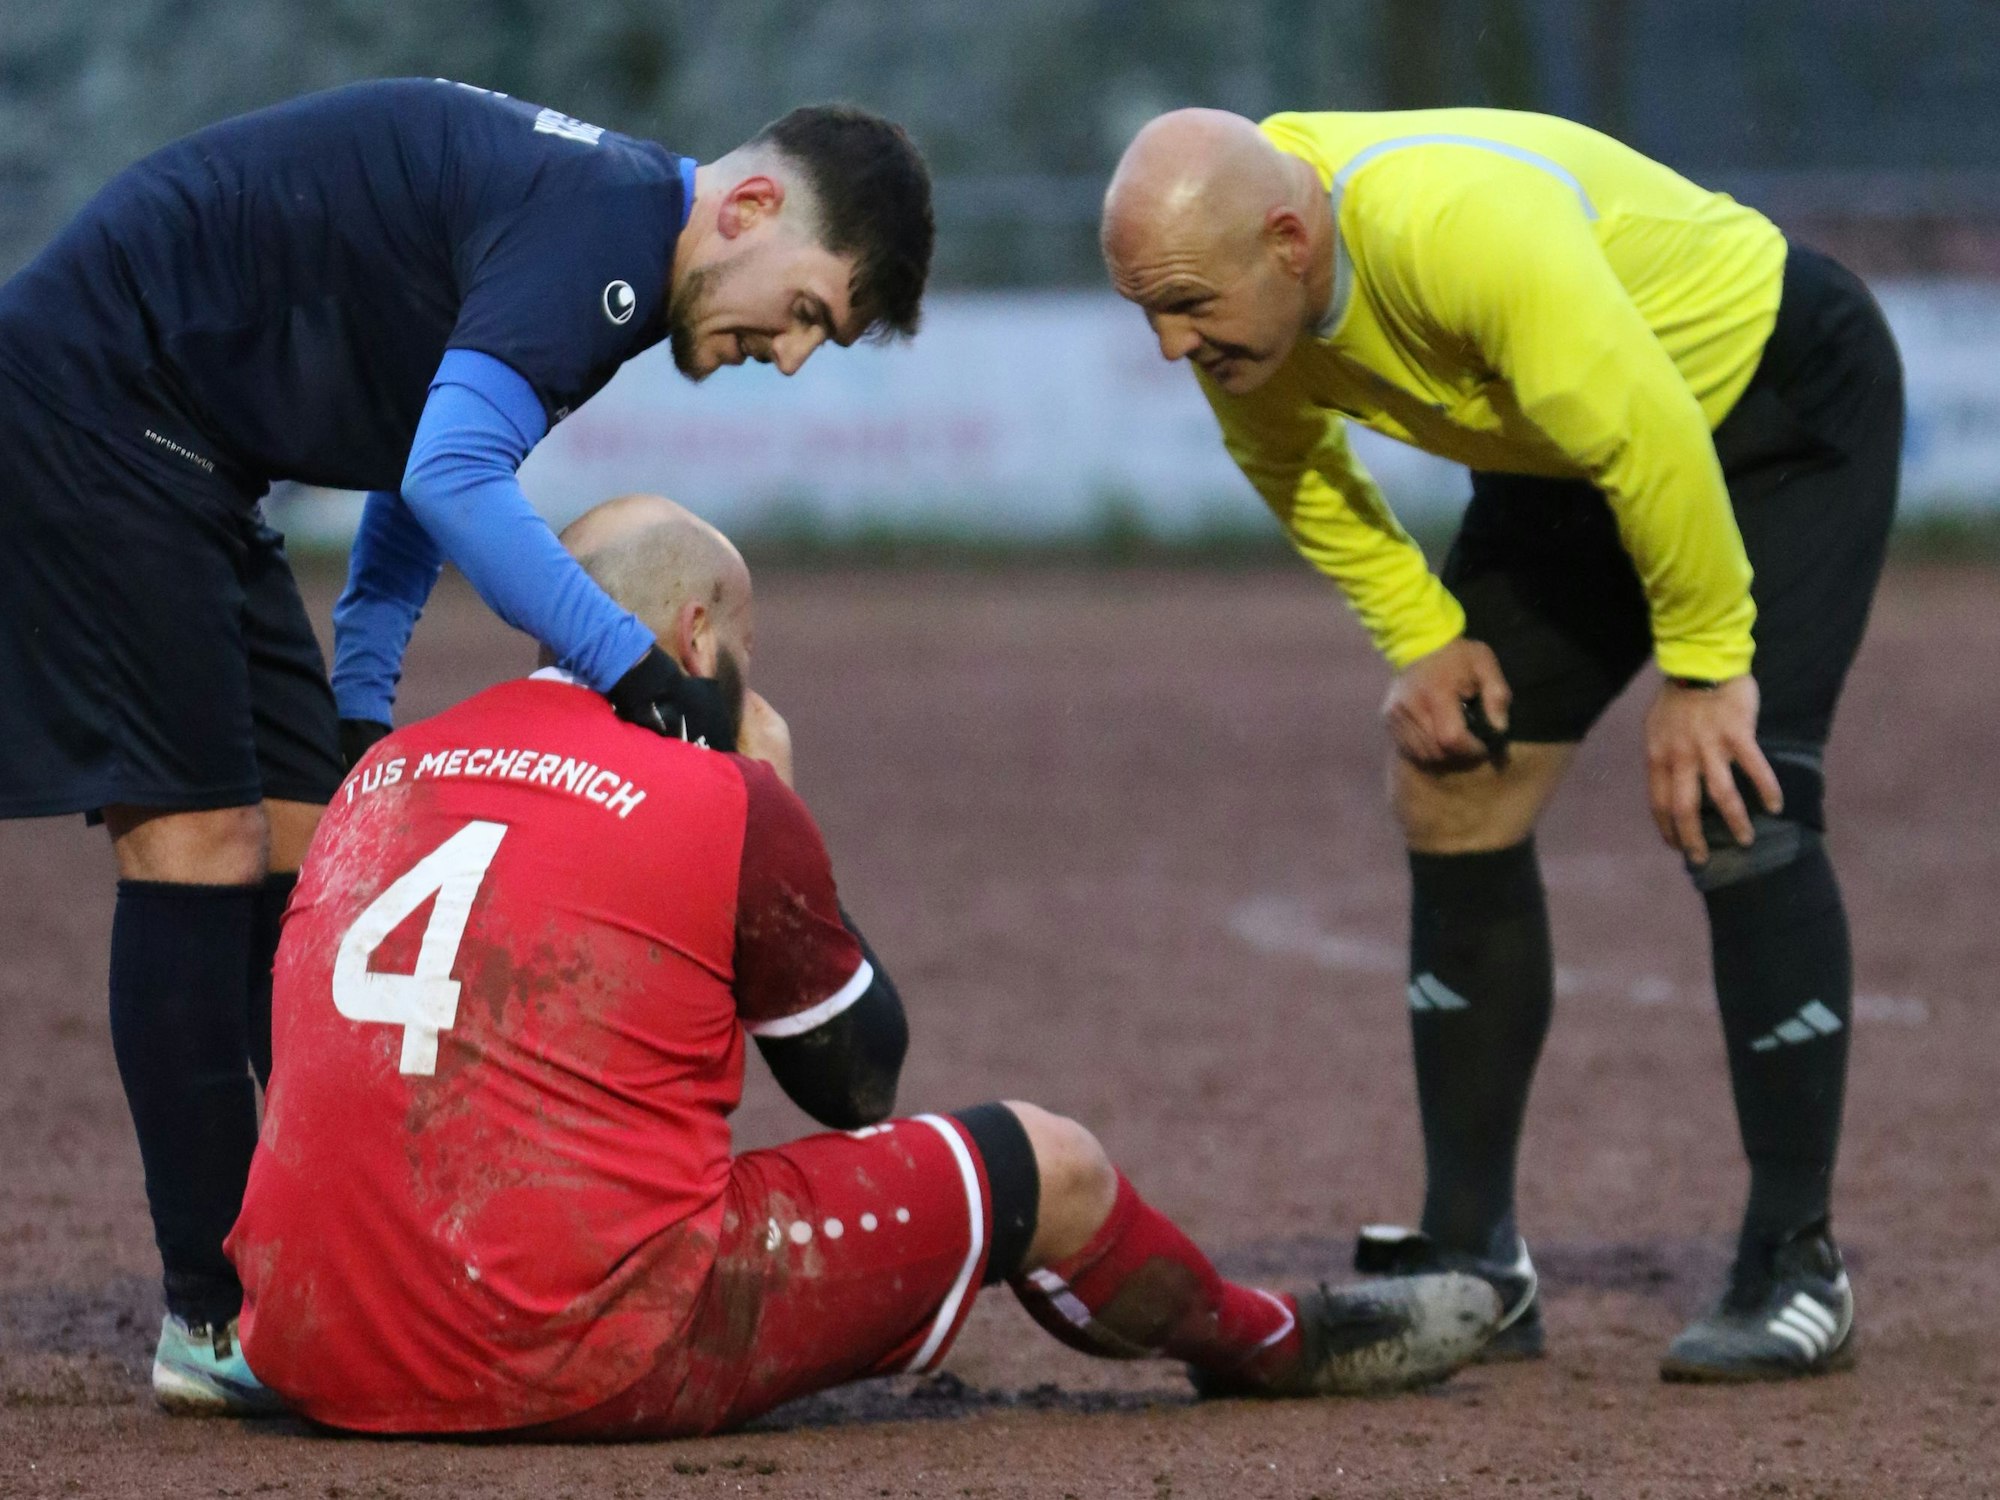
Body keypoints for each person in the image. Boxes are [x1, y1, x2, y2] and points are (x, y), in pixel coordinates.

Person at [0, 77, 933, 1410]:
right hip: (93, 406)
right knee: (197, 838)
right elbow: (454, 481)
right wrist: (636, 671)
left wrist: (363, 697)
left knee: (314, 838)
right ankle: (213, 1318)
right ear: (753, 206)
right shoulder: (607, 237)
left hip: (180, 450)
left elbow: (414, 462)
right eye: (807, 314)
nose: (787, 357)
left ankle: (322, 1260)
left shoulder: (598, 228)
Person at [223, 494, 1499, 1434]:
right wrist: (771, 793)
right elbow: (854, 1084)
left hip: (305, 1341)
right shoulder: (721, 792)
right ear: (697, 633)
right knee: (1039, 1160)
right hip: (563, 1356)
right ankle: (1270, 1342)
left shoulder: (386, 770)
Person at [1101, 106, 1901, 1382]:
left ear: (1290, 241)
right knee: (1450, 783)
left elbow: (1646, 433)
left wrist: (1702, 666)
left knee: (1739, 799)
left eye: (1185, 305)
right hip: (1564, 455)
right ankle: (1475, 1258)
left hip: (1771, 412)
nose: (1167, 342)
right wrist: (1421, 636)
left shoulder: (1459, 232)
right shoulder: (1242, 308)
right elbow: (1298, 468)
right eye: (1146, 310)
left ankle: (1794, 1262)